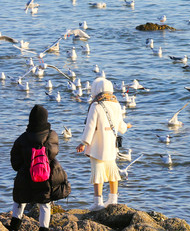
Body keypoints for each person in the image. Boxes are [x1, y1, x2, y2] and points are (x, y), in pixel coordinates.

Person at [76, 77, 132, 211]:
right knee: (113, 172)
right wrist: (127, 126)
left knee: (98, 173)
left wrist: (83, 143)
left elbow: (90, 126)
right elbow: (120, 126)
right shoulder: (116, 104)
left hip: (97, 145)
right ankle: (113, 199)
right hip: (111, 144)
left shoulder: (95, 105)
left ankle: (98, 202)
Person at [9, 104, 66, 231]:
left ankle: (14, 226)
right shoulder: (52, 135)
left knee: (20, 200)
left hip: (26, 174)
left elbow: (15, 160)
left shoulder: (23, 138)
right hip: (44, 175)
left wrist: (22, 168)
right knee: (44, 204)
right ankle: (43, 228)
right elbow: (54, 152)